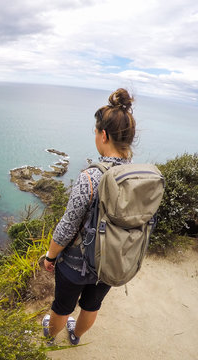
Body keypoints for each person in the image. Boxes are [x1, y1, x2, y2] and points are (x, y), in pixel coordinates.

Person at [42, 88, 137, 345]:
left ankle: (50, 338)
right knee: (92, 306)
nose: (95, 135)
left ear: (103, 135)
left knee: (62, 307)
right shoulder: (139, 177)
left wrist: (50, 257)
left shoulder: (90, 178)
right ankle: (76, 336)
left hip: (77, 263)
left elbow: (67, 226)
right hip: (113, 260)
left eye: (96, 131)